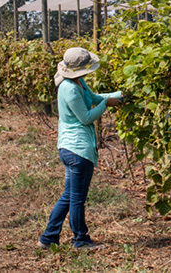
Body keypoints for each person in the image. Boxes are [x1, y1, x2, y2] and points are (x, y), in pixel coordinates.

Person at [38, 47, 122, 250]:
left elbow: (93, 98)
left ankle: (48, 238)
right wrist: (106, 103)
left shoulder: (78, 82)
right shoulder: (70, 89)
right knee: (77, 199)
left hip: (69, 148)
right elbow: (86, 118)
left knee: (69, 195)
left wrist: (117, 95)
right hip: (78, 150)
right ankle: (80, 240)